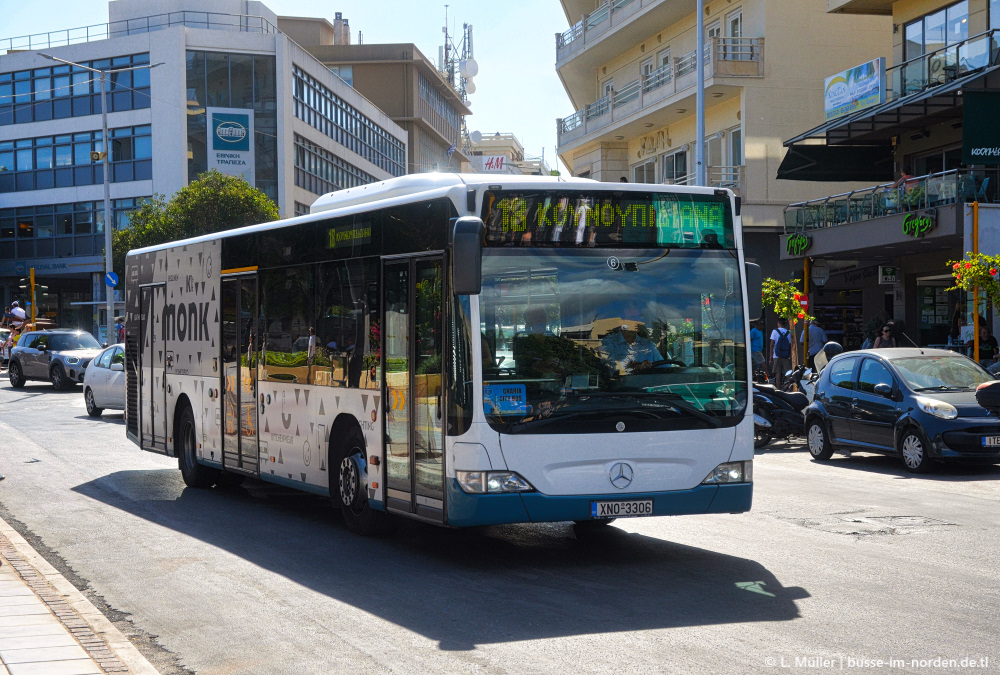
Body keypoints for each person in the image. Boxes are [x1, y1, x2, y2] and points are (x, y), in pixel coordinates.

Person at [769, 317, 792, 388]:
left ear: (778, 323)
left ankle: (778, 389)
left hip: (777, 355)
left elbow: (772, 344)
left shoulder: (775, 331)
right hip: (786, 355)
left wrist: (771, 357)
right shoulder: (789, 332)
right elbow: (790, 345)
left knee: (778, 373)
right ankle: (789, 388)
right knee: (788, 373)